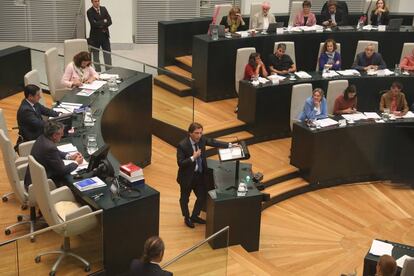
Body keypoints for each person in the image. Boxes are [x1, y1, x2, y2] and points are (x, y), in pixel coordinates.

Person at [176, 122, 230, 228]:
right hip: (187, 177)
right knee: (184, 199)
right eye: (196, 133)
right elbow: (180, 163)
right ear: (190, 133)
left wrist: (229, 145)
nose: (199, 136)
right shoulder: (182, 145)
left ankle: (194, 216)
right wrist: (193, 157)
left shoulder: (201, 140)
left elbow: (213, 142)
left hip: (199, 175)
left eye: (201, 133)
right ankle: (186, 218)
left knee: (202, 197)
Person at [24, 121, 83, 189]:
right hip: (41, 186)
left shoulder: (42, 138)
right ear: (55, 135)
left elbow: (56, 152)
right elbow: (62, 171)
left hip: (33, 179)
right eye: (61, 133)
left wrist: (70, 156)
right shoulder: (50, 148)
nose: (62, 135)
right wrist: (76, 162)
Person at [87, 0, 112, 72]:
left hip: (105, 36)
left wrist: (99, 22)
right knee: (96, 56)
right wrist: (104, 21)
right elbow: (93, 24)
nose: (97, 3)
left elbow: (110, 21)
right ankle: (98, 72)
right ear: (92, 2)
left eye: (98, 1)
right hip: (95, 38)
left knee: (107, 54)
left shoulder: (104, 9)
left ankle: (109, 70)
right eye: (95, 1)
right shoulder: (89, 12)